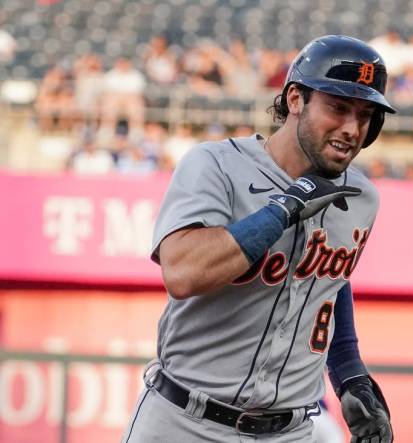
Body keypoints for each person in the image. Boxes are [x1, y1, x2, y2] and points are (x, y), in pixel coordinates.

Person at [122, 35, 395, 443]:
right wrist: (282, 209)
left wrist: (350, 371)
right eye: (338, 107)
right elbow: (183, 272)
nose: (353, 128)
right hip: (184, 420)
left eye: (366, 114)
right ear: (296, 99)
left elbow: (326, 284)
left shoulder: (362, 197)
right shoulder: (216, 165)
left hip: (290, 430)